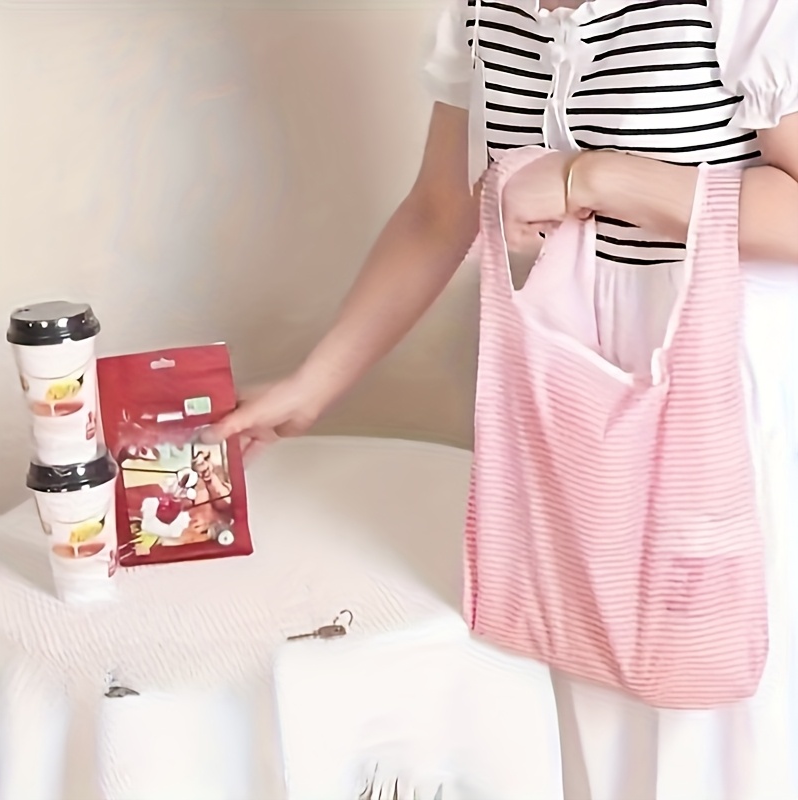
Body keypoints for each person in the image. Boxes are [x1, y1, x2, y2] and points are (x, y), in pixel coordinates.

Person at [207, 1, 798, 796]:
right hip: (567, 390)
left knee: (719, 718)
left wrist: (597, 177)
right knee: (594, 686)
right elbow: (439, 210)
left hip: (730, 392)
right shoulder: (481, 11)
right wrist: (314, 385)